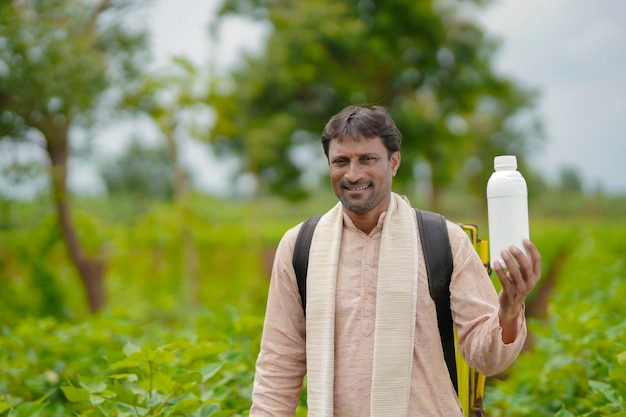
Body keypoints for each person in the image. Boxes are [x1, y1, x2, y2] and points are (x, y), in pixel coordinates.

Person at [249, 105, 541, 417]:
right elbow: (278, 366)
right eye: (341, 161)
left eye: (367, 159)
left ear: (394, 161)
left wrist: (509, 310)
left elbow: (487, 359)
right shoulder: (300, 246)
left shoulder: (443, 239)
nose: (353, 174)